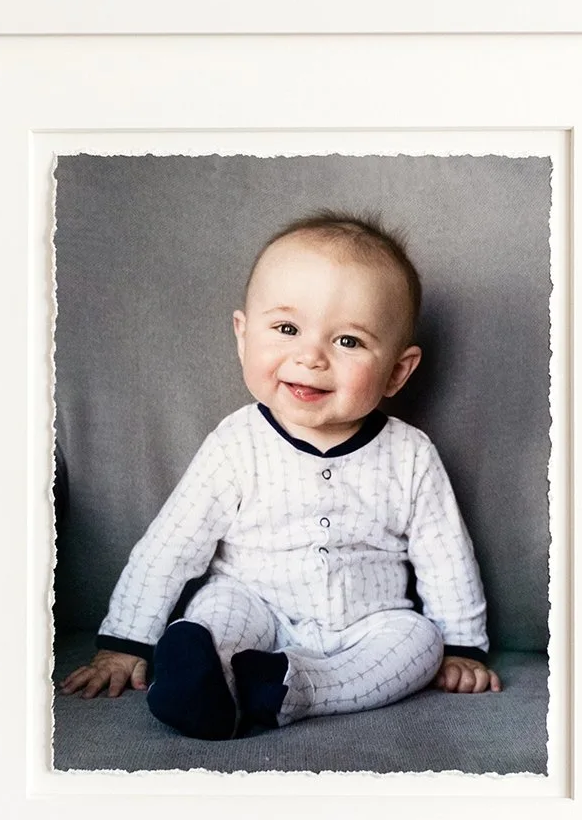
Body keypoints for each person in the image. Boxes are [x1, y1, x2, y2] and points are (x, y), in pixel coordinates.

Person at [59, 211, 500, 739]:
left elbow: (445, 556)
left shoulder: (410, 454)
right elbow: (172, 545)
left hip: (368, 622)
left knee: (417, 646)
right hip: (255, 604)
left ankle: (292, 688)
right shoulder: (235, 443)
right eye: (287, 329)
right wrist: (125, 642)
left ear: (397, 372)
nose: (310, 356)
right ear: (244, 337)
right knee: (215, 611)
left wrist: (461, 646)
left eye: (349, 342)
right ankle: (194, 673)